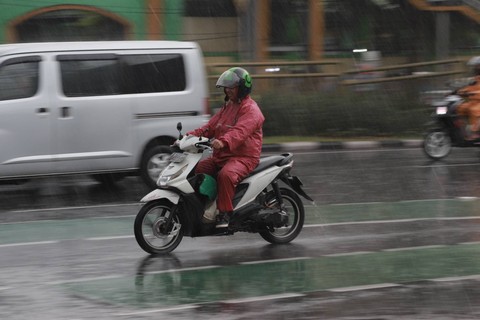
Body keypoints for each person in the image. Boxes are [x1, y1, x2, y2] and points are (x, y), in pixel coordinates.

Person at [187, 67, 265, 227]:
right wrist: (187, 137)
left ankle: (225, 214)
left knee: (226, 175)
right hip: (222, 156)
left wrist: (223, 141)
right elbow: (209, 128)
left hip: (244, 157)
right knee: (198, 169)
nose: (227, 90)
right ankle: (208, 203)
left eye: (231, 87)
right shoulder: (228, 107)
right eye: (226, 87)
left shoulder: (251, 110)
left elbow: (240, 131)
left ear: (242, 88)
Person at [456, 56, 480, 140]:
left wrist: (473, 93)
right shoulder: (475, 79)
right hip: (473, 101)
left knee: (474, 110)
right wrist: (459, 91)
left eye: (477, 66)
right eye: (475, 66)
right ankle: (462, 130)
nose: (475, 68)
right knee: (460, 108)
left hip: (478, 103)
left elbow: (475, 91)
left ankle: (475, 133)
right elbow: (468, 88)